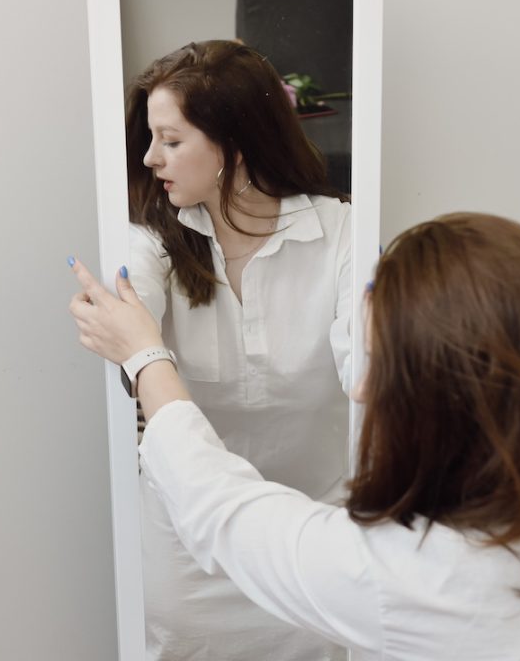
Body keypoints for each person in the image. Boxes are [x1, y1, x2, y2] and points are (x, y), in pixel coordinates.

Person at [69, 212, 520, 660]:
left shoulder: (412, 574)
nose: (359, 389)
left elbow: (223, 510)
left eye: (380, 365)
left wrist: (145, 358)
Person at [121, 40, 352, 660]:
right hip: (188, 547)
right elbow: (131, 311)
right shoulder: (151, 238)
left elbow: (369, 368)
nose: (150, 158)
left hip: (310, 540)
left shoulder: (341, 234)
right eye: (150, 138)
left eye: (171, 141)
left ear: (235, 146)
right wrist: (129, 335)